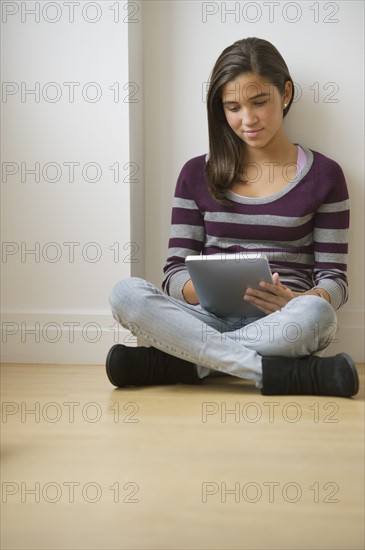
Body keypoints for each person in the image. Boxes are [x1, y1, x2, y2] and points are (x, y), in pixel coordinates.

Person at [106, 37, 358, 397]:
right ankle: (276, 372)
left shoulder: (325, 176)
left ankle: (179, 363)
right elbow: (173, 274)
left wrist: (302, 300)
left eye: (259, 102)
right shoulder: (196, 173)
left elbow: (335, 280)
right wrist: (206, 290)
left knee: (318, 316)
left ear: (285, 93)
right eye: (233, 107)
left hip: (286, 322)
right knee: (124, 293)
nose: (248, 119)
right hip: (205, 319)